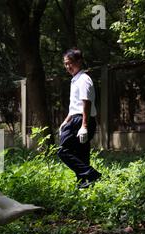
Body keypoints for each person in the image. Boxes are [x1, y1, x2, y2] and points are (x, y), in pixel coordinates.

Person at [58, 48, 101, 189]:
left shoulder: (84, 79)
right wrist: (65, 121)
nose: (68, 67)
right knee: (81, 154)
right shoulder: (75, 80)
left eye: (70, 63)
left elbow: (86, 103)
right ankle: (84, 184)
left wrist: (84, 126)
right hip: (76, 119)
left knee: (63, 151)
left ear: (79, 61)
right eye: (65, 64)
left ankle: (92, 174)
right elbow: (75, 105)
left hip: (82, 120)